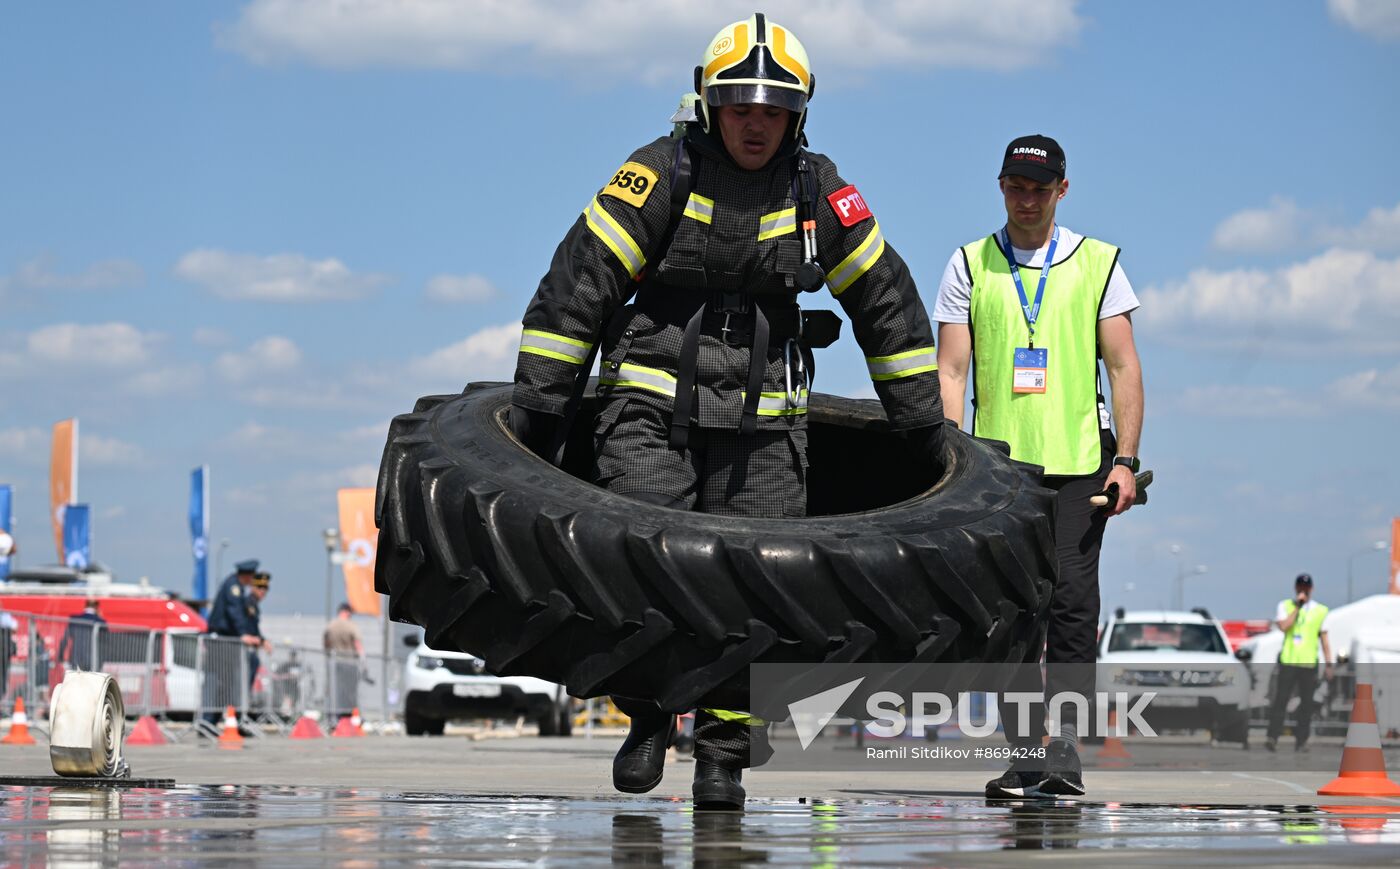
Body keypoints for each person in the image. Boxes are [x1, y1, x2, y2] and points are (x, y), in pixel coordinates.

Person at [509, 13, 944, 809]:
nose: (755, 123)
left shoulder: (819, 190)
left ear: (797, 117)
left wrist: (920, 429)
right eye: (741, 107)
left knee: (757, 590)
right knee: (644, 567)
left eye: (772, 110)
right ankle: (646, 716)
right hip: (649, 412)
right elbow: (581, 282)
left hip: (767, 428)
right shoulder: (658, 171)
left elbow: (888, 301)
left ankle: (723, 758)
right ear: (712, 105)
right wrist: (538, 411)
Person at [934, 134, 1144, 798]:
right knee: (1008, 615)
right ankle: (1025, 754)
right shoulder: (969, 263)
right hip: (999, 474)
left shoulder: (1097, 263)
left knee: (1073, 604)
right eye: (1016, 187)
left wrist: (1128, 461)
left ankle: (1065, 748)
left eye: (1040, 189)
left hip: (1082, 463)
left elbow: (1123, 366)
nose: (1027, 200)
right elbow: (952, 370)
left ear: (1063, 190)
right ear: (1000, 187)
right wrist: (948, 464)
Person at [1266, 573, 1332, 752]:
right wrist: (1297, 607)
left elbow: (1324, 639)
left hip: (1309, 664)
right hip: (1288, 662)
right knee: (1281, 701)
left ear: (1311, 589)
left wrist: (1329, 663)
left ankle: (1301, 740)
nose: (1303, 590)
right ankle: (1272, 737)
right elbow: (1284, 626)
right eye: (1300, 587)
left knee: (1307, 705)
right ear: (1296, 588)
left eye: (1306, 587)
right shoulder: (1285, 606)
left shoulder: (1321, 610)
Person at [202, 559, 264, 729]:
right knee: (216, 681)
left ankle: (215, 720)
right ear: (247, 575)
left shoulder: (237, 587)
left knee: (226, 681)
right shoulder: (233, 587)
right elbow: (234, 612)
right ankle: (207, 721)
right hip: (220, 640)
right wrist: (243, 634)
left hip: (225, 642)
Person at [323, 602, 364, 719]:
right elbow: (357, 644)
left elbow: (326, 644)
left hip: (334, 663)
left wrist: (328, 656)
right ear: (347, 611)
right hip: (350, 663)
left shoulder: (331, 625)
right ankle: (348, 716)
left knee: (335, 691)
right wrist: (363, 660)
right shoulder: (351, 626)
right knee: (350, 692)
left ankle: (334, 718)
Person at [59, 598, 106, 672]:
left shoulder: (74, 619)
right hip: (93, 660)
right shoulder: (100, 621)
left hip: (75, 659)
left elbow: (65, 639)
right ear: (97, 607)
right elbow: (105, 642)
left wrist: (60, 657)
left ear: (85, 606)